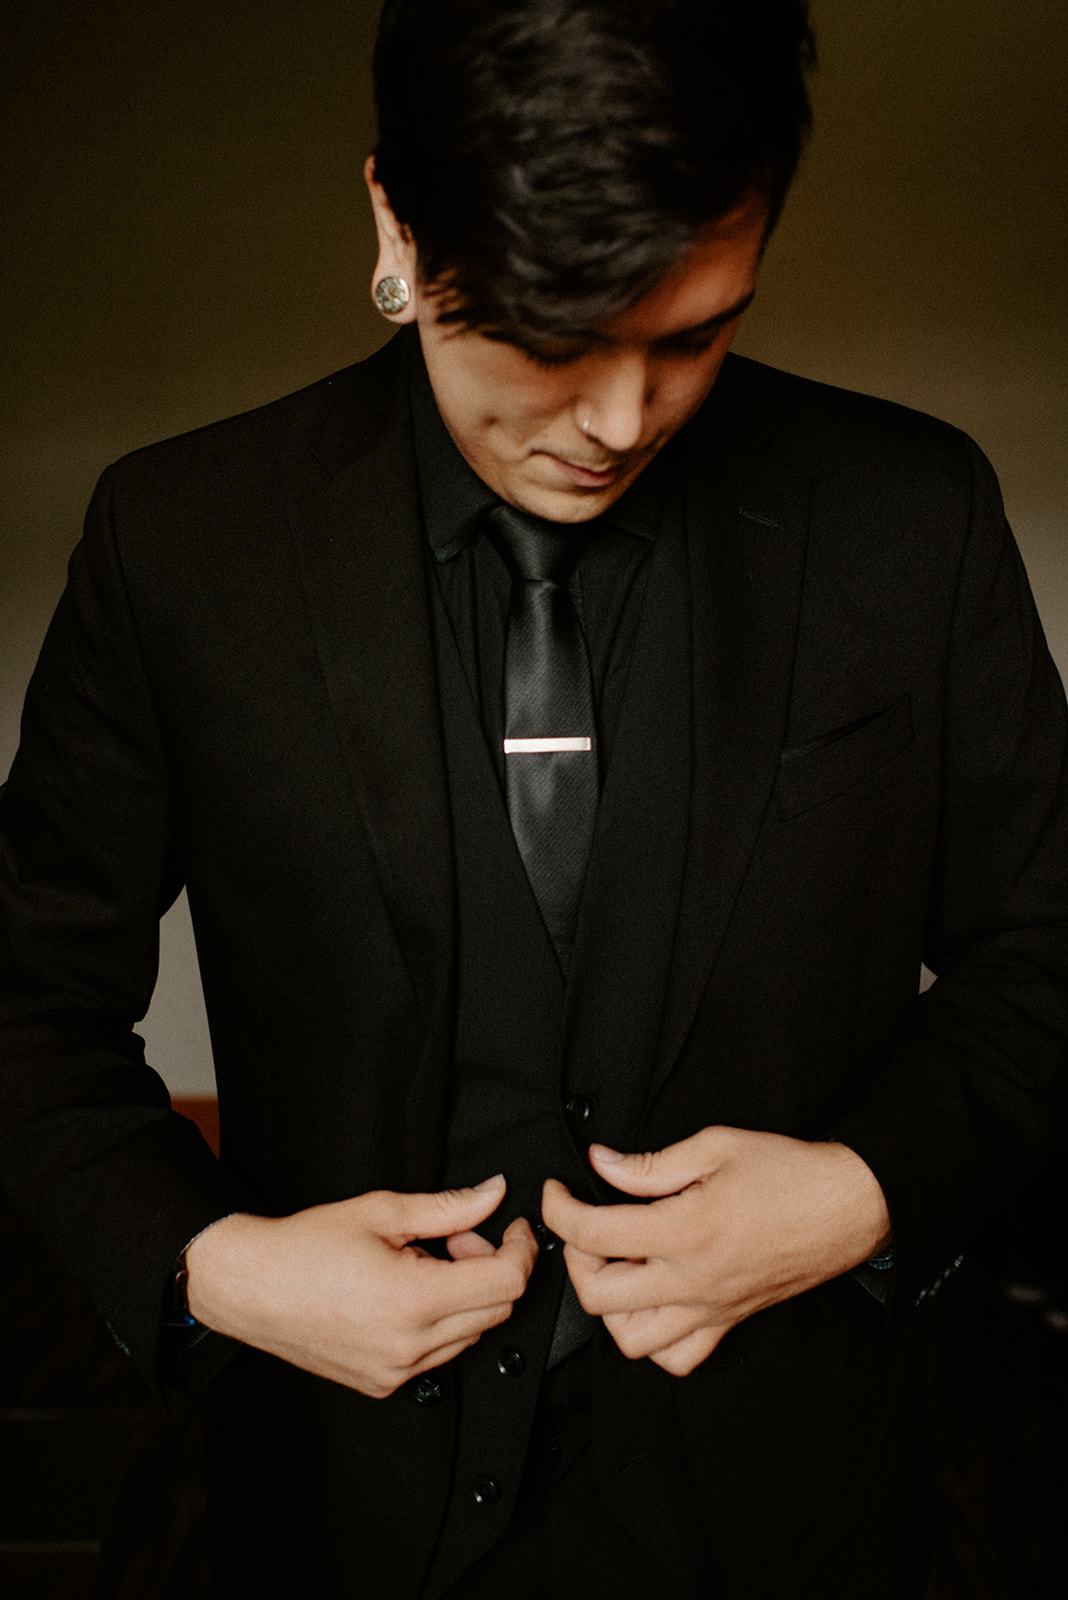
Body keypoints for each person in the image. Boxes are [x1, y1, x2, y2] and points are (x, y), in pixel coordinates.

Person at [1, 1, 1065, 1596]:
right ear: (395, 225)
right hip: (330, 1509)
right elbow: (23, 993)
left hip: (800, 1507)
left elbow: (1044, 950)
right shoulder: (179, 544)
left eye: (696, 335)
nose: (622, 423)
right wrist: (208, 1268)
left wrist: (866, 1192)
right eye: (552, 343)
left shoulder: (915, 519)